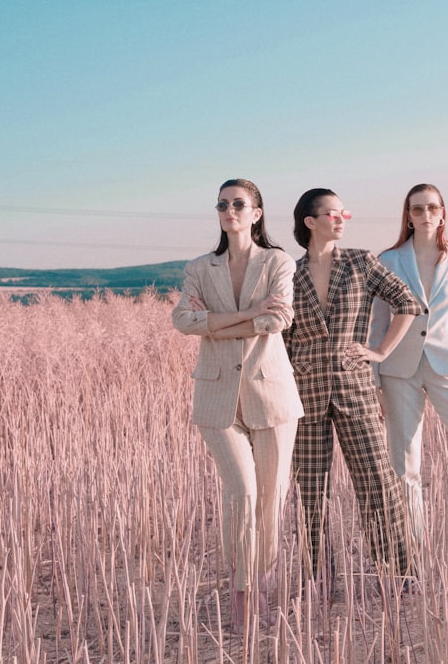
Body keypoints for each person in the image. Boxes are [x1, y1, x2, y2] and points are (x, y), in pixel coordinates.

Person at [171, 178, 303, 630]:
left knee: (271, 498)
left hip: (272, 394)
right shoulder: (199, 267)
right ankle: (242, 594)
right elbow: (184, 321)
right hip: (216, 395)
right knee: (241, 493)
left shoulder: (278, 261)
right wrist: (247, 315)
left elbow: (279, 317)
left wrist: (215, 325)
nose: (230, 210)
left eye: (239, 204)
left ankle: (262, 581)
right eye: (222, 204)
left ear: (257, 213)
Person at [284, 188, 422, 586]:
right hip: (304, 393)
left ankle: (399, 574)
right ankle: (319, 583)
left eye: (343, 212)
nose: (341, 218)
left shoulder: (362, 262)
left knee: (378, 481)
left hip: (354, 386)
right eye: (332, 214)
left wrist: (380, 351)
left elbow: (408, 303)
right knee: (310, 493)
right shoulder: (288, 273)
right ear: (311, 222)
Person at [370, 183, 448, 548]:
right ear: (407, 217)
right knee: (404, 467)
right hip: (399, 373)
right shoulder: (389, 260)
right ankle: (411, 550)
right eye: (416, 210)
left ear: (442, 213)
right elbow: (378, 325)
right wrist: (376, 378)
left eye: (431, 208)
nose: (425, 215)